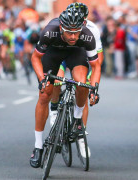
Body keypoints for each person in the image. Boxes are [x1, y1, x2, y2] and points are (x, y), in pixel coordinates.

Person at [29, 6, 101, 168]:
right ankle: (38, 146)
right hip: (53, 54)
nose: (73, 36)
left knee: (82, 83)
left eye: (77, 32)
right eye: (69, 32)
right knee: (45, 93)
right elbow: (35, 57)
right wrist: (42, 79)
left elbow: (96, 66)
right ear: (61, 27)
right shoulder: (50, 31)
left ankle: (77, 119)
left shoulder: (87, 36)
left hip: (76, 54)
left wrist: (94, 88)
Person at [49, 3, 104, 131]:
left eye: (82, 20)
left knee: (82, 88)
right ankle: (54, 107)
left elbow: (98, 60)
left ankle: (80, 132)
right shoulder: (58, 26)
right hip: (61, 54)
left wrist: (90, 80)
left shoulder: (92, 29)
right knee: (57, 81)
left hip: (80, 56)